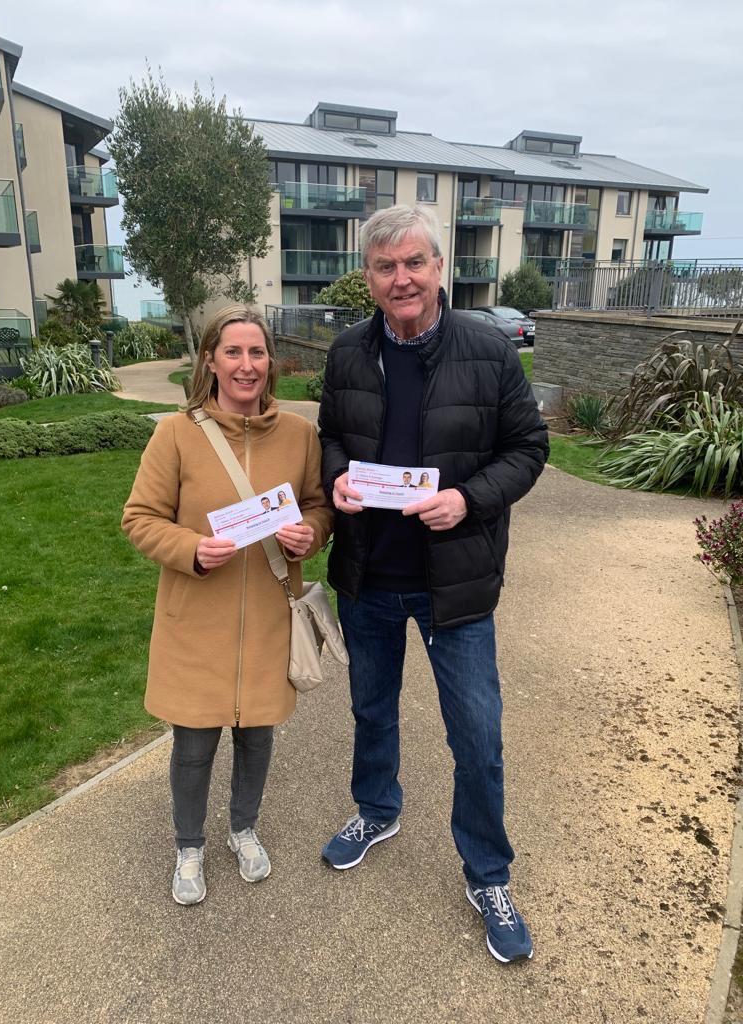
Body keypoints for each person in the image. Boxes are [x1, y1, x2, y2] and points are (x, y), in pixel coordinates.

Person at [318, 204, 548, 963]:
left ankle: (488, 873)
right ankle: (376, 809)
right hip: (369, 578)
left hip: (456, 586)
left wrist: (469, 498)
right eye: (385, 267)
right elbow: (330, 437)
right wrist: (336, 480)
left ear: (439, 269)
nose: (402, 278)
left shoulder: (488, 351)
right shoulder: (348, 352)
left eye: (414, 262)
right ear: (369, 279)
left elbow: (528, 445)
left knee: (478, 737)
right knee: (371, 711)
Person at [122, 304, 332, 906]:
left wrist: (311, 534)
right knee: (193, 745)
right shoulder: (176, 434)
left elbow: (318, 506)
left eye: (257, 353)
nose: (247, 365)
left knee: (257, 735)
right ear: (210, 360)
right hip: (197, 619)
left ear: (271, 362)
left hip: (270, 616)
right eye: (233, 352)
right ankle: (189, 843)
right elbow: (139, 519)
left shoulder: (299, 435)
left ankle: (243, 828)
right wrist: (190, 548)